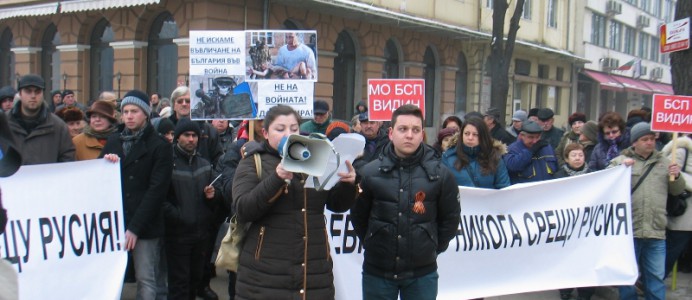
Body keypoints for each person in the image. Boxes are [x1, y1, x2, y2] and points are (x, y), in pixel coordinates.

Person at [231, 105, 358, 299]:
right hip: (265, 275)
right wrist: (277, 178)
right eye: (280, 129)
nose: (288, 134)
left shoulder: (312, 160)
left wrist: (348, 184)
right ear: (265, 132)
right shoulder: (252, 162)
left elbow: (336, 205)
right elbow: (244, 210)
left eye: (293, 129)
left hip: (313, 272)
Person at [351, 104, 460, 300]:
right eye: (403, 129)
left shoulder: (440, 175)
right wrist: (372, 241)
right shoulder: (369, 173)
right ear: (391, 133)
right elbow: (359, 217)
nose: (409, 135)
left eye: (415, 130)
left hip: (421, 273)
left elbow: (450, 219)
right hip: (378, 271)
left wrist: (432, 246)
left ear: (422, 134)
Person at [101, 90, 172, 300]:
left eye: (135, 111)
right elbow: (98, 178)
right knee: (112, 278)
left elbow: (157, 191)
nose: (129, 116)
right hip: (115, 223)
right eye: (125, 111)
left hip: (145, 225)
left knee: (146, 278)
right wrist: (107, 161)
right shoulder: (114, 141)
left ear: (145, 114)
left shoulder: (160, 146)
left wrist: (135, 228)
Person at [609, 122, 685, 300]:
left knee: (656, 278)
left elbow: (676, 190)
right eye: (645, 139)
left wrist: (677, 175)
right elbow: (607, 182)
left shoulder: (665, 163)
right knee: (628, 278)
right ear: (634, 142)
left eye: (652, 139)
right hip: (629, 232)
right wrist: (619, 169)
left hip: (656, 231)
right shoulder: (621, 161)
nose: (650, 142)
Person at [164, 119, 221, 300]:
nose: (191, 139)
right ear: (177, 137)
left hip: (201, 235)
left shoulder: (204, 164)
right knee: (179, 284)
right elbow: (161, 199)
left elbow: (217, 196)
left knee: (194, 281)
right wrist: (178, 217)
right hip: (177, 235)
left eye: (194, 135)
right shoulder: (167, 163)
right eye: (186, 135)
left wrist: (213, 196)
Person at [7, 74, 75, 164]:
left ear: (43, 94)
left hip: (48, 177)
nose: (33, 96)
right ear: (20, 93)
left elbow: (68, 160)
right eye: (28, 91)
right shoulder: (4, 123)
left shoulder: (58, 126)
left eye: (37, 91)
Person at [554, 143, 593, 300]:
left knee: (586, 259)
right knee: (567, 259)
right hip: (567, 226)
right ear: (566, 158)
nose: (578, 158)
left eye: (580, 155)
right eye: (574, 155)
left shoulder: (593, 175)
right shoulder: (559, 176)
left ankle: (585, 292)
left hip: (587, 226)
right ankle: (566, 289)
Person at [442, 117, 510, 189]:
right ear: (461, 135)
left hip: (489, 200)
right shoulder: (448, 157)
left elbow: (503, 187)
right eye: (467, 133)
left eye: (475, 134)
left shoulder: (495, 157)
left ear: (483, 136)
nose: (470, 138)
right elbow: (442, 188)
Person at [663, 133, 692, 278]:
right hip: (684, 213)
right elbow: (668, 173)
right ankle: (647, 283)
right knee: (672, 251)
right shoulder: (682, 150)